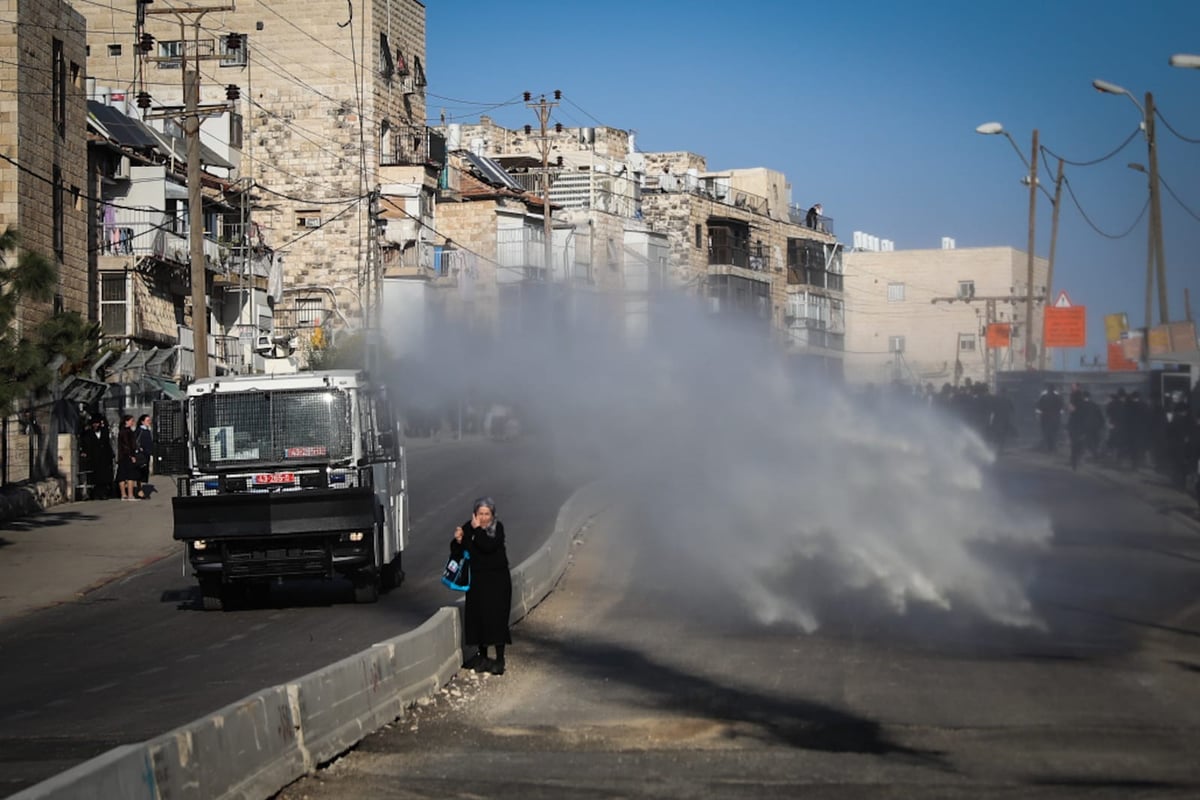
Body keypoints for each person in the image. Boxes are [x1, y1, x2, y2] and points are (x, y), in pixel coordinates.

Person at [451, 497, 512, 675]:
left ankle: (499, 660)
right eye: (480, 514)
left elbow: (488, 546)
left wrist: (477, 530)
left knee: (497, 619)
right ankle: (483, 657)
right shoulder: (468, 527)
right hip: (477, 581)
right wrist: (458, 540)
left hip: (497, 581)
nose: (484, 517)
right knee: (479, 619)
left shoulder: (497, 529)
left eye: (487, 514)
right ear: (474, 514)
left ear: (492, 515)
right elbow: (458, 551)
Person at [80, 416, 114, 500]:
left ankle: (104, 493)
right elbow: (85, 444)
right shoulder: (88, 433)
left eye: (97, 423)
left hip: (104, 457)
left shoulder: (104, 432)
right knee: (95, 477)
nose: (96, 425)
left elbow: (107, 444)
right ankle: (95, 494)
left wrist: (111, 455)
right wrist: (84, 452)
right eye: (94, 424)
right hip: (94, 457)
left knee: (105, 477)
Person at [116, 415, 139, 501]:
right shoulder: (127, 432)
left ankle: (123, 495)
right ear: (126, 421)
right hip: (127, 456)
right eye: (131, 421)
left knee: (121, 475)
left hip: (122, 456)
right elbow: (127, 445)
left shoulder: (121, 431)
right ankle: (130, 495)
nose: (133, 422)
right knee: (130, 476)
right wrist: (131, 455)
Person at [134, 414, 153, 498]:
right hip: (141, 455)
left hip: (147, 454)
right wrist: (140, 448)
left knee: (144, 472)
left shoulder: (148, 431)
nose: (149, 422)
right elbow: (135, 441)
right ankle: (139, 490)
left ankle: (141, 490)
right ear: (142, 422)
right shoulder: (139, 430)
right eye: (147, 420)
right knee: (140, 472)